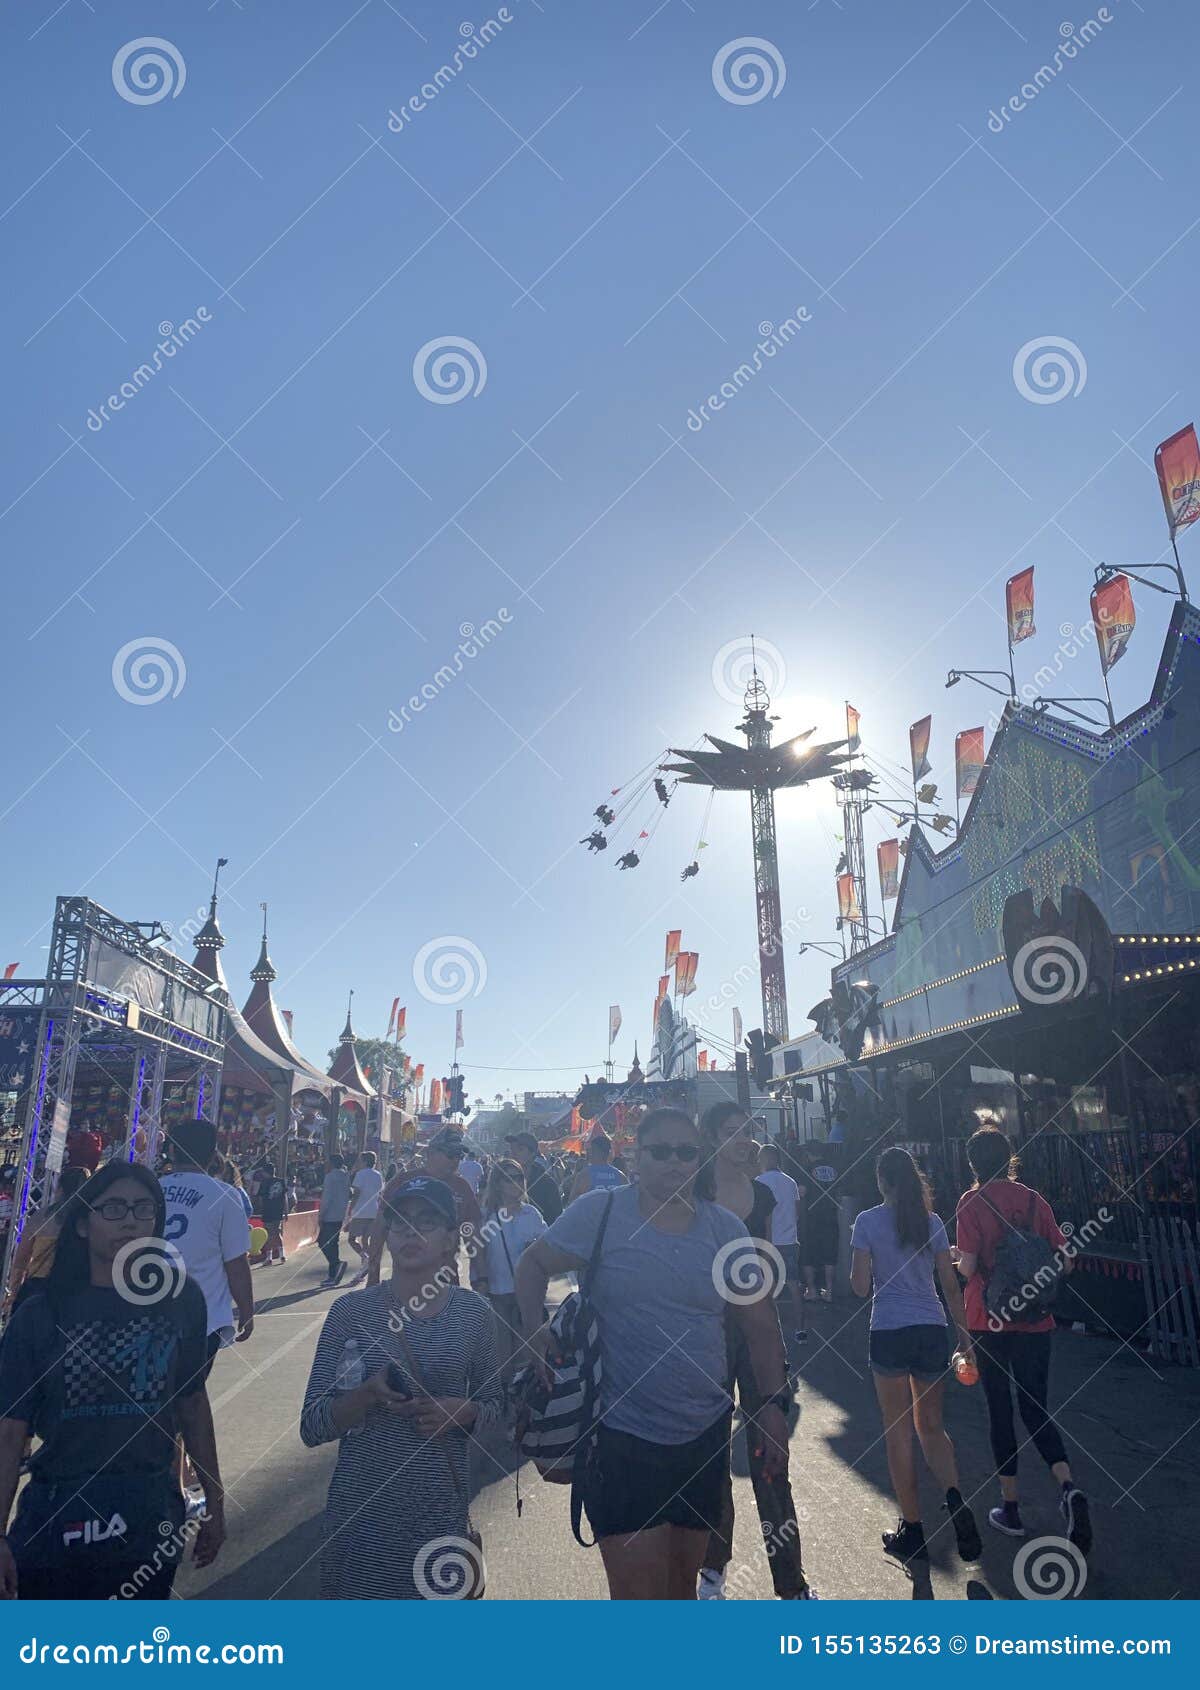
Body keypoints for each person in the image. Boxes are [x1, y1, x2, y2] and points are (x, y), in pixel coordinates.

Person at [515, 1107, 792, 1601]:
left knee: (680, 1591)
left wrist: (771, 1407)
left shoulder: (726, 1230)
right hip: (621, 1439)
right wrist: (533, 1331)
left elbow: (760, 1327)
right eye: (659, 1151)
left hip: (703, 1438)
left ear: (699, 1159)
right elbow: (534, 1262)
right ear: (635, 1156)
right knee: (639, 1599)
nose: (674, 1162)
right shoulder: (599, 1213)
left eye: (686, 1152)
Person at [0, 1161, 225, 1599]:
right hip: (56, 1517)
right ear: (83, 1224)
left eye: (144, 1209)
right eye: (115, 1208)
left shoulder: (181, 1300)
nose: (131, 1220)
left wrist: (215, 1501)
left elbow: (192, 1405)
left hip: (148, 1518)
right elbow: (10, 1433)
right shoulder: (42, 1313)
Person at [300, 1175, 503, 1599]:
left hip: (440, 1518)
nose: (411, 1232)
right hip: (360, 1522)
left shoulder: (474, 1315)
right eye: (400, 1222)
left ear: (451, 1239)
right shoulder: (350, 1313)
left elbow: (498, 1406)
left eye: (427, 1222)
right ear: (386, 1236)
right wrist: (366, 1394)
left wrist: (462, 1411)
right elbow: (313, 1426)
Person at [953, 1126, 1090, 1552]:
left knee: (999, 1410)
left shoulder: (970, 1204)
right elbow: (1067, 1262)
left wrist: (957, 1261)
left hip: (987, 1319)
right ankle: (1067, 1486)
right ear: (1011, 1156)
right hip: (1035, 1321)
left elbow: (969, 1267)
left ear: (972, 1163)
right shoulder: (1034, 1200)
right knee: (1036, 1409)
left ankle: (1010, 1509)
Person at [696, 1104, 813, 1601]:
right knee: (709, 1458)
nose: (744, 1140)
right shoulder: (694, 1191)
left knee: (771, 1454)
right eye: (732, 1132)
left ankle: (791, 1585)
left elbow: (762, 1265)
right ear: (710, 1138)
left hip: (757, 1331)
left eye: (748, 1131)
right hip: (703, 1334)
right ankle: (712, 1572)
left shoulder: (763, 1195)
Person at [850, 1146, 981, 1567]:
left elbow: (857, 1287)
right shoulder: (932, 1222)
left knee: (898, 1431)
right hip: (931, 1329)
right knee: (932, 1426)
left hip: (888, 1330)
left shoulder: (867, 1222)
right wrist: (965, 1338)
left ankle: (913, 1528)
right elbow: (950, 1282)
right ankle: (954, 1496)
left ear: (881, 1181)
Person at [472, 1159, 547, 1379]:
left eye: (519, 1177)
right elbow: (478, 1252)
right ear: (498, 1184)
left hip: (527, 1294)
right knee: (500, 1357)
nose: (516, 1183)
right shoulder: (487, 1216)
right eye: (509, 1178)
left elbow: (546, 1249)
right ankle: (500, 1402)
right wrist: (481, 1283)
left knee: (527, 1357)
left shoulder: (531, 1214)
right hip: (496, 1293)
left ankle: (521, 1403)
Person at [1, 1166, 90, 1317]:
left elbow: (20, 1261)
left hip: (38, 1288)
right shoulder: (91, 1222)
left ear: (59, 1188)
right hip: (74, 1289)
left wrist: (14, 1292)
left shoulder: (40, 1218)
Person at [756, 1143, 806, 1347]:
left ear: (766, 1159)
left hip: (768, 1241)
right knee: (794, 1285)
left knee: (767, 1288)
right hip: (789, 1239)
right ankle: (800, 1329)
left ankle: (770, 1332)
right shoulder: (790, 1182)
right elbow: (798, 1211)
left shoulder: (759, 1182)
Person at [796, 1142, 840, 1300]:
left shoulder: (806, 1170)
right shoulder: (835, 1169)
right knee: (830, 1253)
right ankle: (829, 1291)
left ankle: (812, 1290)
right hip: (831, 1215)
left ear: (808, 1154)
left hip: (811, 1217)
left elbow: (801, 1193)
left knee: (809, 1254)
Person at [504, 1131, 562, 1223]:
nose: (514, 1154)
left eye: (520, 1149)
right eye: (512, 1149)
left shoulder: (546, 1184)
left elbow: (556, 1219)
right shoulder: (503, 1180)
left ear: (532, 1153)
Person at [346, 1151, 384, 1281]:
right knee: (365, 1239)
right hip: (374, 1211)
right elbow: (380, 1194)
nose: (359, 1163)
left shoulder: (360, 1174)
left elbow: (356, 1193)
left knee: (351, 1239)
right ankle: (366, 1265)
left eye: (360, 1160)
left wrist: (351, 1210)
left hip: (361, 1211)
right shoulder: (378, 1175)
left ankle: (365, 1259)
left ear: (365, 1161)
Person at [317, 1156, 352, 1287]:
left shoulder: (330, 1177)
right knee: (333, 1243)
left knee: (323, 1242)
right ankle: (333, 1274)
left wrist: (321, 1215)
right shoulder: (345, 1176)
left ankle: (336, 1264)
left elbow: (327, 1198)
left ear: (331, 1163)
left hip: (330, 1214)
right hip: (340, 1213)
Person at [567, 1131, 628, 1203]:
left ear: (593, 1151)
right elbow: (627, 1203)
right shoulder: (620, 1176)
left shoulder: (584, 1175)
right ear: (608, 1153)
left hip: (590, 1213)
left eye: (590, 1150)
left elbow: (571, 1203)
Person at [257, 1160, 289, 1265]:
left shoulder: (264, 1183)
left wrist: (261, 1209)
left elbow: (261, 1199)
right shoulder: (281, 1181)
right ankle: (282, 1255)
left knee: (268, 1234)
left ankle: (269, 1257)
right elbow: (285, 1197)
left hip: (268, 1211)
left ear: (266, 1172)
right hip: (278, 1211)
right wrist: (286, 1211)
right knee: (276, 1232)